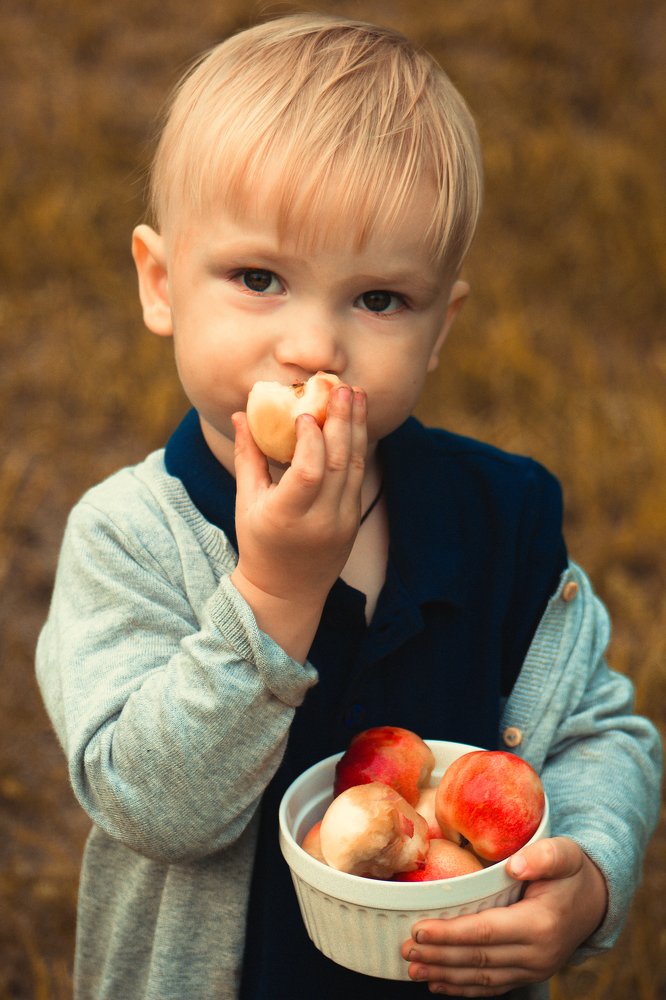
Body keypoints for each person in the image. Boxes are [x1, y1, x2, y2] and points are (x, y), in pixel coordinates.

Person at [36, 13, 661, 1000]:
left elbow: (597, 731)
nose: (316, 346)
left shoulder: (500, 518)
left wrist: (586, 875)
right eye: (259, 279)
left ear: (441, 324)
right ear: (161, 283)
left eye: (378, 300)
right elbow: (151, 806)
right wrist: (273, 596)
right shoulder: (130, 540)